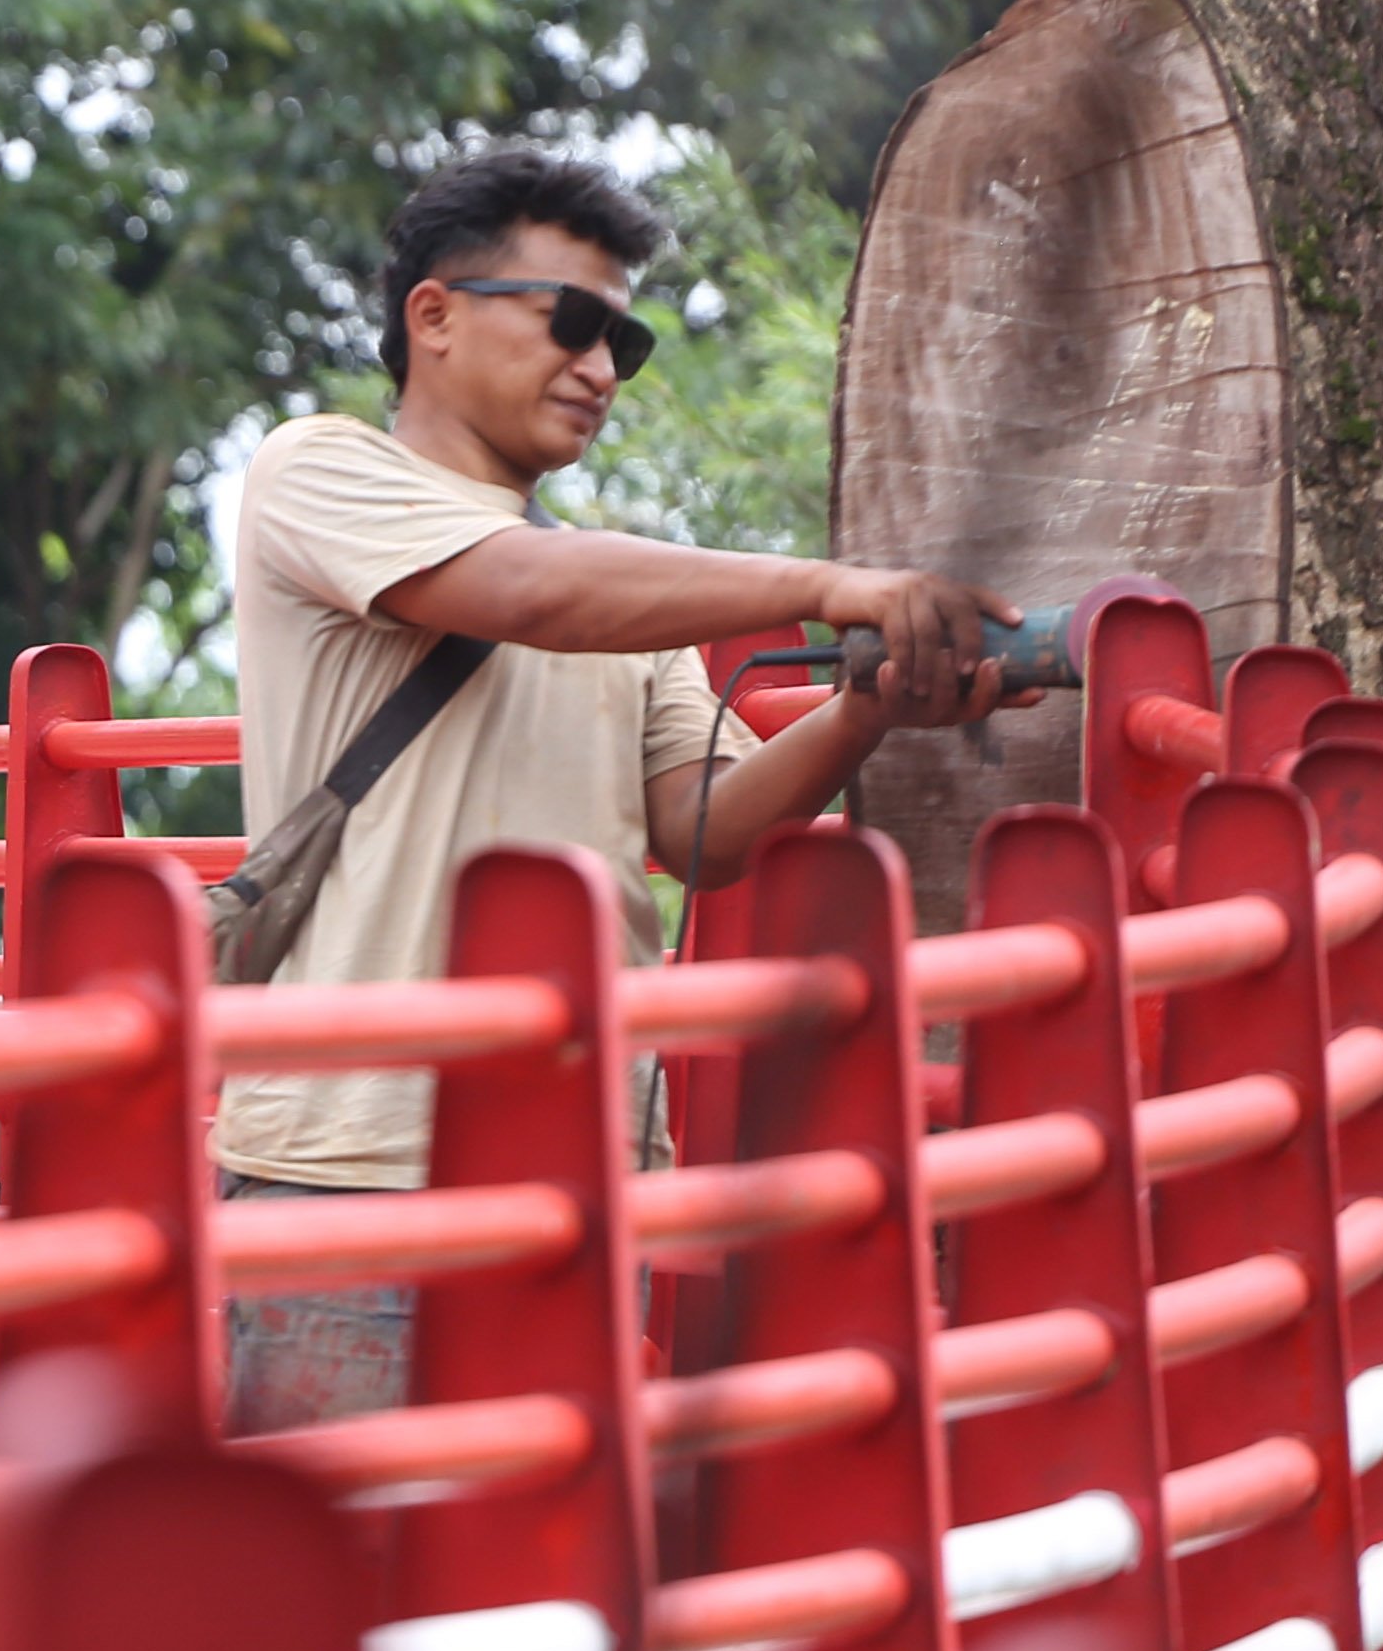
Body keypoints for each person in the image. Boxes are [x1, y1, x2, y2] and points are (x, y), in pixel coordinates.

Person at [214, 147, 1018, 1432]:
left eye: (623, 343)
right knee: (337, 1594)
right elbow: (524, 595)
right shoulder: (319, 471)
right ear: (431, 316)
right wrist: (829, 585)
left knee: (541, 1606)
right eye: (572, 323)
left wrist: (873, 702)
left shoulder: (610, 590)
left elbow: (705, 828)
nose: (599, 368)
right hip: (353, 1172)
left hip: (576, 1179)